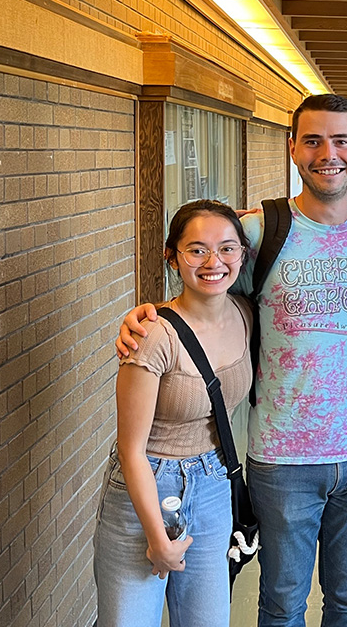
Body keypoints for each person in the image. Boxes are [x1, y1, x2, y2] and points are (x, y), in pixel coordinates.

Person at [117, 94, 347, 627]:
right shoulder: (262, 231)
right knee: (283, 603)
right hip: (283, 456)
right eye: (312, 140)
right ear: (293, 149)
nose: (327, 153)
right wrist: (144, 316)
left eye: (340, 140)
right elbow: (202, 279)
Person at [95, 199, 253, 626]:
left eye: (227, 248)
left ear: (242, 252)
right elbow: (131, 450)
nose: (213, 262)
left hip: (213, 485)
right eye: (196, 249)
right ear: (172, 257)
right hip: (146, 487)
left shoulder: (245, 313)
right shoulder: (151, 336)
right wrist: (156, 536)